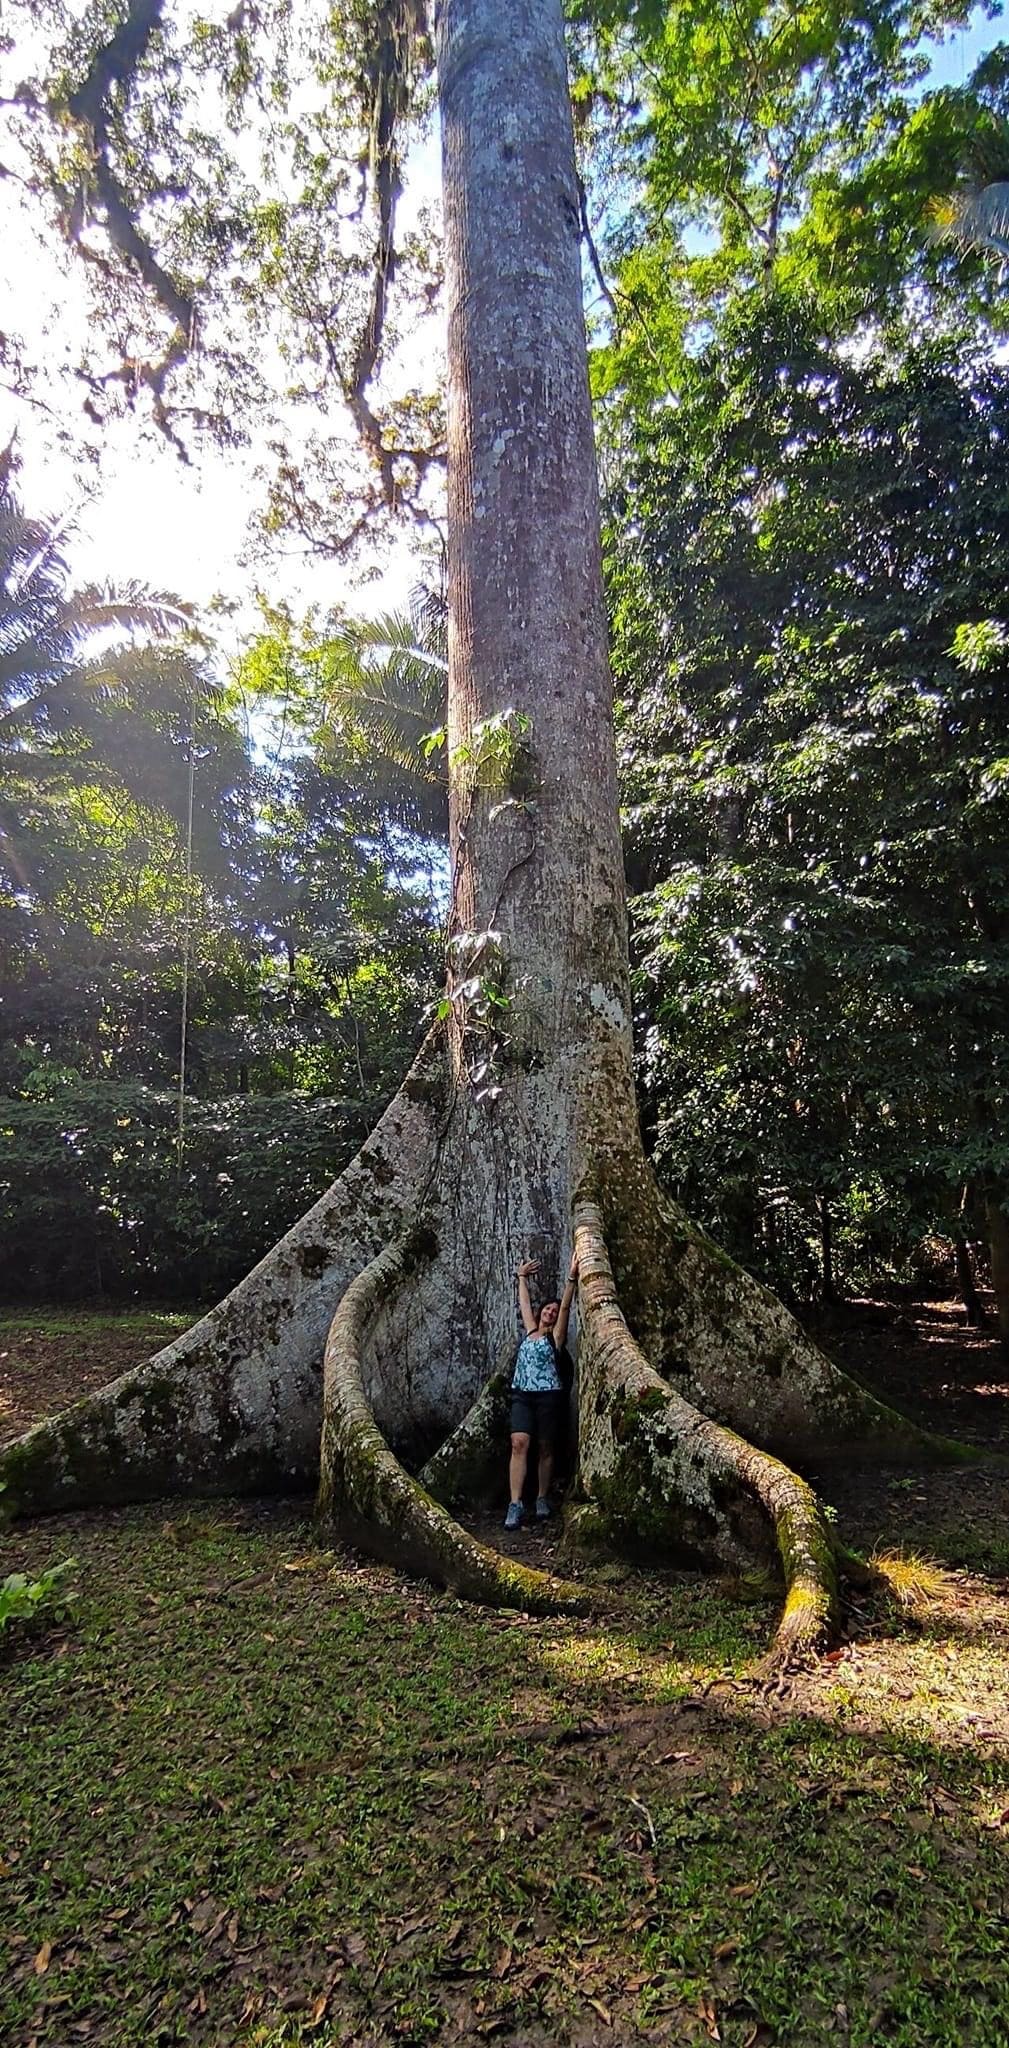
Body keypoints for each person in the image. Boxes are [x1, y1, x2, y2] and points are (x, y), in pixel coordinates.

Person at [504, 1252, 578, 1530]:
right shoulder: (530, 1332)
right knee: (519, 1443)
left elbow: (568, 1308)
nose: (550, 1312)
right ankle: (515, 1504)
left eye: (554, 1311)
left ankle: (542, 1498)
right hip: (522, 1395)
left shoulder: (554, 1339)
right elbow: (524, 1304)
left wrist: (571, 1278)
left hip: (548, 1397)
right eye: (547, 1309)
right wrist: (521, 1277)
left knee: (546, 1447)